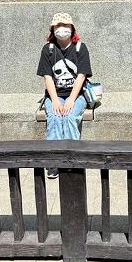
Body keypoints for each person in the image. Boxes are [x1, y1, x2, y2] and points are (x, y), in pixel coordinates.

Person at [36, 12, 92, 179]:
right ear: (52, 29)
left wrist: (71, 100)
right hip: (55, 95)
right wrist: (54, 101)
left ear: (72, 28)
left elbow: (81, 76)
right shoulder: (48, 49)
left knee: (70, 116)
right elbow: (47, 77)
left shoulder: (80, 48)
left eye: (65, 25)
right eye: (58, 26)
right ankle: (53, 162)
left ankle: (73, 159)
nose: (62, 29)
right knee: (54, 117)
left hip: (77, 94)